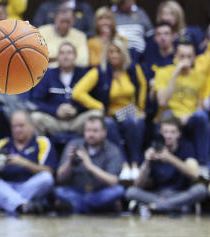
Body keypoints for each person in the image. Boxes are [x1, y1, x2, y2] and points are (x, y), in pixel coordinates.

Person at [73, 40, 147, 178]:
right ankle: (124, 165)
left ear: (124, 53)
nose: (114, 55)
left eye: (118, 51)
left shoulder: (133, 69)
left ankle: (135, 164)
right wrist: (99, 106)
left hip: (129, 112)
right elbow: (77, 92)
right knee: (107, 124)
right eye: (111, 52)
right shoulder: (100, 71)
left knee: (135, 122)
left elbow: (143, 86)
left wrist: (141, 108)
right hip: (110, 114)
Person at [0, 110, 57, 214]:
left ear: (32, 126)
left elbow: (49, 170)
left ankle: (7, 205)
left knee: (46, 178)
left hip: (29, 186)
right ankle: (22, 206)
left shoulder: (42, 142)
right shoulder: (2, 143)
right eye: (14, 127)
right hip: (6, 186)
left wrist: (24, 163)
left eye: (21, 126)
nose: (17, 130)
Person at [126, 115, 207, 216]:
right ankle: (172, 206)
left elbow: (195, 174)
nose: (169, 136)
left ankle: (157, 207)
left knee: (201, 189)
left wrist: (170, 158)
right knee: (130, 192)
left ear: (179, 134)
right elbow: (137, 185)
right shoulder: (153, 149)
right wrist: (147, 162)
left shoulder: (186, 147)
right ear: (160, 133)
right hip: (158, 195)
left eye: (173, 132)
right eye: (165, 132)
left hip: (180, 193)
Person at [151, 40, 210, 168]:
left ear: (194, 58)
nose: (185, 60)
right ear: (175, 57)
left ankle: (203, 165)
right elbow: (162, 102)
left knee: (202, 116)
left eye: (189, 56)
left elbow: (200, 105)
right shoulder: (163, 72)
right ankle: (160, 163)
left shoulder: (200, 77)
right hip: (169, 116)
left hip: (190, 117)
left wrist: (188, 116)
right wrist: (176, 72)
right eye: (182, 56)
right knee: (167, 114)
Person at [54, 115, 126, 214]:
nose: (90, 134)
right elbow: (60, 178)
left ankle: (81, 207)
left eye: (95, 131)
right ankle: (90, 208)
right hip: (76, 191)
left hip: (99, 193)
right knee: (59, 191)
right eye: (88, 131)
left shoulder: (113, 150)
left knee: (118, 190)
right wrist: (69, 161)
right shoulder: (73, 145)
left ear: (104, 132)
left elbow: (113, 181)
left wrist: (89, 165)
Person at [29, 41, 99, 136]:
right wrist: (55, 110)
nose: (65, 56)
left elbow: (94, 98)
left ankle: (91, 149)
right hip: (54, 121)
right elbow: (37, 102)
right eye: (62, 53)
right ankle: (43, 148)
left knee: (96, 115)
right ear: (58, 57)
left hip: (77, 121)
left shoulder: (84, 74)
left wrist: (77, 109)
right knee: (35, 117)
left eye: (69, 53)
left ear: (75, 56)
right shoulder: (47, 75)